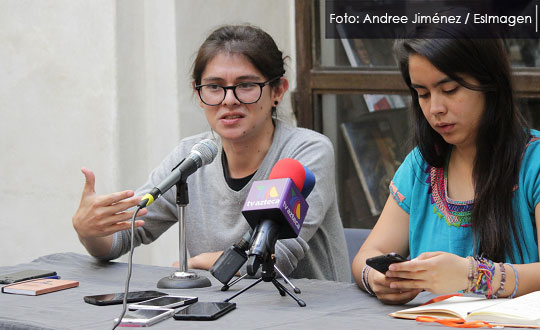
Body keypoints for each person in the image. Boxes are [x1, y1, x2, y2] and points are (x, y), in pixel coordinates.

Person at [72, 24, 350, 282]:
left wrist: (202, 262)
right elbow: (123, 238)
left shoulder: (306, 152)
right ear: (198, 92)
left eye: (246, 85)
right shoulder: (192, 155)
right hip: (216, 313)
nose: (229, 100)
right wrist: (90, 232)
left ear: (278, 91)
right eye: (214, 87)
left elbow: (276, 258)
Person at [352, 21, 540, 303]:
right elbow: (367, 256)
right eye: (422, 94)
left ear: (490, 84)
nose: (435, 108)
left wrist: (471, 275)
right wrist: (381, 280)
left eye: (450, 89)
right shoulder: (421, 166)